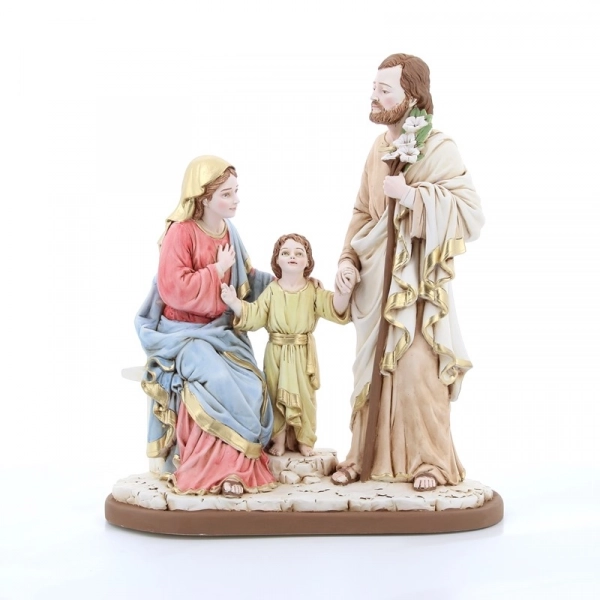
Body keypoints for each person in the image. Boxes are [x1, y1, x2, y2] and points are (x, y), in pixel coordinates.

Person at [332, 53, 485, 491]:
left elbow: (471, 215)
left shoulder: (439, 147)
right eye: (374, 88)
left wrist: (413, 196)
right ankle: (364, 458)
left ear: (411, 97)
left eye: (385, 90)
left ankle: (430, 463)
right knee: (372, 371)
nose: (374, 96)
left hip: (415, 288)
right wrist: (347, 259)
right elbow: (363, 212)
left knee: (418, 367)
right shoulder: (376, 150)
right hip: (375, 283)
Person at [135, 155, 276, 498]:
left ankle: (237, 465)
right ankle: (212, 468)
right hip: (182, 335)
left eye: (236, 191)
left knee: (254, 385)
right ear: (204, 197)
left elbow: (247, 278)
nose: (236, 199)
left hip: (222, 330)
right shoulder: (180, 233)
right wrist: (216, 270)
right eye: (227, 194)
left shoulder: (229, 231)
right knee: (218, 380)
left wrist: (285, 285)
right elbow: (174, 288)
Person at [221, 234, 355, 457]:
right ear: (277, 260)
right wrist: (234, 302)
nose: (292, 256)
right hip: (276, 353)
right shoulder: (272, 290)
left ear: (307, 261)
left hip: (303, 354)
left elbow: (334, 308)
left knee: (305, 397)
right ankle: (279, 440)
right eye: (286, 253)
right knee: (275, 397)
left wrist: (344, 292)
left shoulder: (313, 291)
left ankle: (305, 439)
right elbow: (255, 315)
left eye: (299, 253)